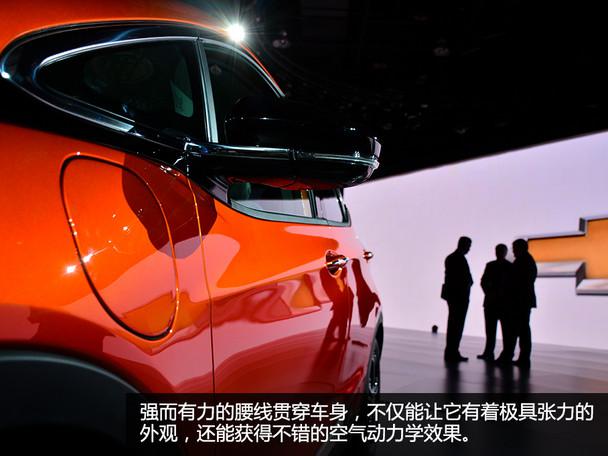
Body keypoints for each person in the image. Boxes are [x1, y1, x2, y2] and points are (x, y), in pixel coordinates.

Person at [495, 239, 537, 367]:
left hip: (520, 301)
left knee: (520, 330)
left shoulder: (523, 261)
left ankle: (519, 357)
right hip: (522, 300)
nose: (513, 251)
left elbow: (517, 281)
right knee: (522, 329)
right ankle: (521, 357)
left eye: (514, 248)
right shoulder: (526, 260)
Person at [477, 244, 512, 361]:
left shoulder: (491, 265)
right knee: (500, 330)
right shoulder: (509, 267)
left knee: (492, 330)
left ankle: (490, 352)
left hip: (493, 302)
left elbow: (483, 282)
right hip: (501, 303)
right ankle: (502, 354)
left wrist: (489, 293)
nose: (498, 253)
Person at [442, 236, 473, 362]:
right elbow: (463, 279)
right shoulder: (458, 258)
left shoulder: (451, 258)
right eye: (468, 246)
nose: (469, 249)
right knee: (457, 325)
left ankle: (452, 351)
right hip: (459, 297)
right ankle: (452, 351)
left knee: (453, 324)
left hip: (454, 296)